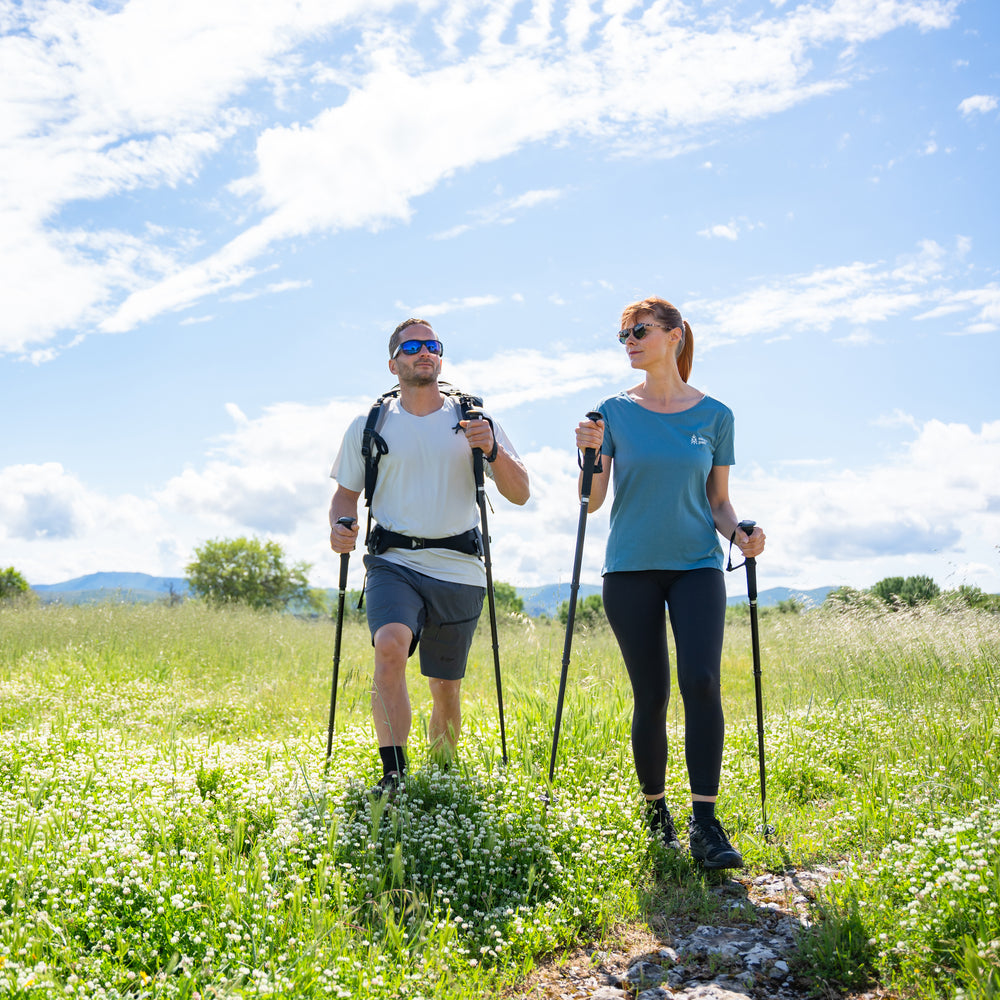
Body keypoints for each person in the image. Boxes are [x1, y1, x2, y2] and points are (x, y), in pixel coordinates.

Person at [574, 296, 765, 869]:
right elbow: (591, 503)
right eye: (623, 334)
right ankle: (658, 816)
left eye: (639, 330)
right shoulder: (610, 412)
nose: (629, 340)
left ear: (675, 335)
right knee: (651, 693)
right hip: (629, 567)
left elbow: (719, 503)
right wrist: (585, 456)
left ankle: (706, 823)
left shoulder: (716, 416)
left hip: (697, 566)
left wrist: (742, 535)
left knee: (702, 681)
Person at [329, 318, 530, 798]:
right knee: (390, 646)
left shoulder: (475, 420)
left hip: (459, 566)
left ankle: (441, 778)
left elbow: (520, 493)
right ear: (393, 362)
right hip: (392, 561)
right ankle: (394, 777)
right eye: (413, 345)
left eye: (433, 345)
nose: (425, 352)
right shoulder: (370, 424)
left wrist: (492, 448)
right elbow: (344, 497)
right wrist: (341, 526)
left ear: (440, 357)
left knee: (445, 686)